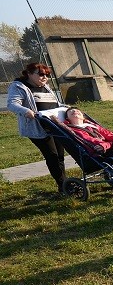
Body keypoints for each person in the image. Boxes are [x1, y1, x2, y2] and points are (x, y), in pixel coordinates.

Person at [6, 63, 67, 195]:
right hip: (37, 128)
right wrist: (26, 111)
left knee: (60, 156)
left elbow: (55, 104)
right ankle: (62, 186)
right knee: (52, 156)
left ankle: (66, 183)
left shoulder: (45, 87)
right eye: (41, 74)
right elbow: (12, 104)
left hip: (55, 125)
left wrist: (65, 107)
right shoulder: (19, 87)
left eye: (47, 75)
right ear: (29, 74)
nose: (45, 77)